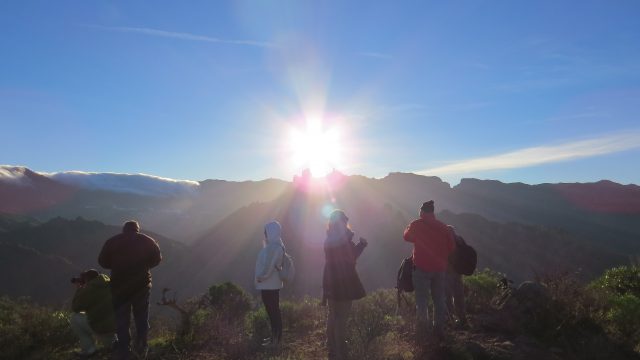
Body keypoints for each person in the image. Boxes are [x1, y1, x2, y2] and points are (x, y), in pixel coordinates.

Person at [98, 220, 162, 360]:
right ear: (137, 229)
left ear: (124, 229)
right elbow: (157, 259)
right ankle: (142, 346)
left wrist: (116, 265)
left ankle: (124, 349)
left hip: (119, 286)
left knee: (122, 318)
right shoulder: (147, 240)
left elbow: (102, 262)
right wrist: (145, 266)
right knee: (141, 316)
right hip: (142, 285)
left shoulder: (112, 241)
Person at [403, 200, 455, 336]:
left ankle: (423, 332)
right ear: (433, 212)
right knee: (439, 299)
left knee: (422, 301)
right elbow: (451, 247)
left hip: (421, 267)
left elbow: (406, 237)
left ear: (422, 212)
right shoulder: (443, 227)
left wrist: (410, 228)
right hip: (439, 269)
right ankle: (439, 329)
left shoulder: (416, 224)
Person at [322, 210, 367, 360]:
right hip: (345, 282)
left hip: (329, 280)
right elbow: (351, 257)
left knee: (332, 314)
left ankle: (332, 347)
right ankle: (341, 351)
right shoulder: (345, 239)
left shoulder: (328, 239)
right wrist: (361, 245)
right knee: (342, 317)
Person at [70, 269, 117, 357]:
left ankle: (89, 349)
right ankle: (114, 345)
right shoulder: (109, 283)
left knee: (74, 317)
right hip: (115, 329)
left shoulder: (90, 289)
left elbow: (75, 308)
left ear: (87, 279)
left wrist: (79, 289)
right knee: (112, 345)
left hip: (102, 330)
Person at [254, 220, 285, 347]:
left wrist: (261, 277)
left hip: (269, 285)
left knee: (273, 312)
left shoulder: (274, 247)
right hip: (271, 285)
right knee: (273, 312)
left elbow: (269, 267)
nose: (264, 234)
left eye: (266, 232)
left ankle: (276, 339)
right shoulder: (276, 245)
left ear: (271, 232)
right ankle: (274, 337)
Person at [445, 225, 467, 327]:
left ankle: (450, 318)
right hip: (458, 272)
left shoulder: (443, 240)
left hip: (447, 272)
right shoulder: (460, 239)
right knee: (459, 295)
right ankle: (462, 317)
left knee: (447, 296)